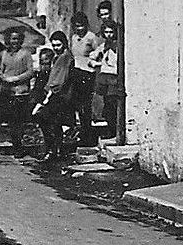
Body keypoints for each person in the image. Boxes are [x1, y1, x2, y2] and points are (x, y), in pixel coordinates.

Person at [32, 31, 75, 161]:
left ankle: (53, 150)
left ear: (64, 44)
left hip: (58, 95)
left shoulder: (65, 58)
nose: (56, 48)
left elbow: (60, 80)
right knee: (53, 123)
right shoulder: (59, 57)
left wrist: (47, 97)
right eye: (54, 45)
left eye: (58, 45)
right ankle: (55, 150)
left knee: (47, 120)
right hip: (55, 94)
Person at [0, 27, 33, 155]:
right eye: (12, 39)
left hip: (20, 92)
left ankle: (19, 147)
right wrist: (0, 75)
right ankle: (14, 144)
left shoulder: (25, 54)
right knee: (10, 121)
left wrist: (16, 79)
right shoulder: (3, 54)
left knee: (18, 121)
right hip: (7, 91)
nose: (15, 42)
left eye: (17, 39)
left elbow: (30, 71)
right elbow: (0, 69)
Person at [70, 12, 98, 146]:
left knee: (86, 105)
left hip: (87, 73)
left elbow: (99, 53)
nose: (79, 29)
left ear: (86, 25)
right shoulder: (74, 37)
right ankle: (81, 131)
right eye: (76, 26)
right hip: (76, 72)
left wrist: (92, 62)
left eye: (81, 26)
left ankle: (88, 135)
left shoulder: (91, 37)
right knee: (77, 105)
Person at [90, 20, 120, 139]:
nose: (109, 35)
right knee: (106, 103)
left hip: (113, 76)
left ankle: (114, 130)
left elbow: (116, 62)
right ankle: (110, 128)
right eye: (106, 32)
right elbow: (93, 55)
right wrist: (96, 61)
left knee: (112, 104)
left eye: (111, 32)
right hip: (104, 77)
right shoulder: (104, 45)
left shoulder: (117, 46)